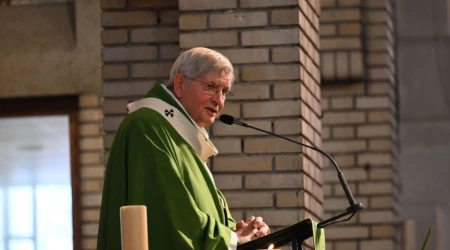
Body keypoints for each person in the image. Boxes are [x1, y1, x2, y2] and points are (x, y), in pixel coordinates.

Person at [96, 47, 270, 250]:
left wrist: (243, 233)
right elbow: (169, 211)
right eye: (212, 87)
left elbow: (202, 215)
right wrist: (233, 240)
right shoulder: (147, 126)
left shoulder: (182, 138)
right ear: (180, 84)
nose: (219, 101)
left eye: (224, 92)